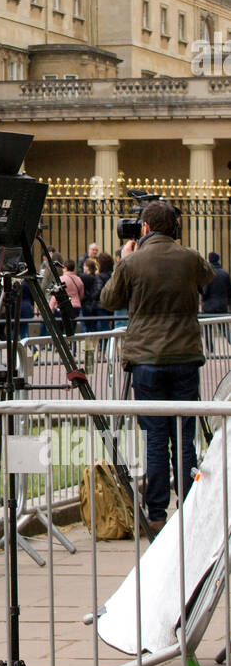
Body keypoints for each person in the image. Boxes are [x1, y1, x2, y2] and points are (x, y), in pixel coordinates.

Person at [100, 200, 213, 528]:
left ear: (145, 228)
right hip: (184, 356)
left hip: (147, 358)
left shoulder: (133, 262)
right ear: (173, 228)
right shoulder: (189, 257)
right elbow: (206, 277)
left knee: (155, 436)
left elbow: (109, 300)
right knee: (184, 433)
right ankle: (190, 506)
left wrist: (124, 261)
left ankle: (157, 512)